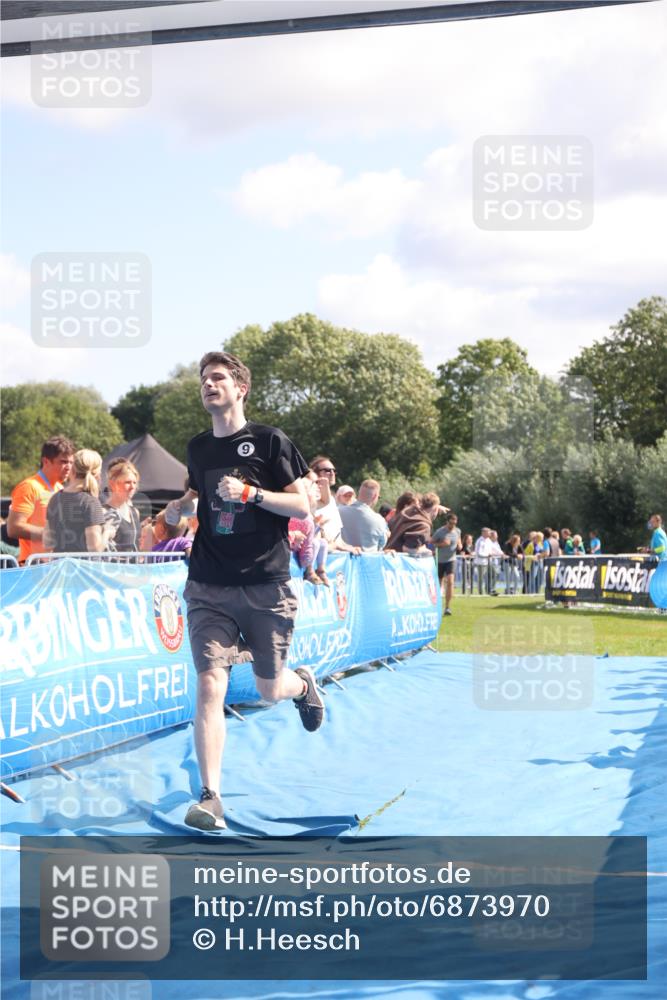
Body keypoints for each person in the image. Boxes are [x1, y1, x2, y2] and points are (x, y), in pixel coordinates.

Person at [164, 351, 321, 832]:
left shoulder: (270, 441)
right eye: (204, 379)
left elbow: (303, 505)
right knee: (211, 683)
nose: (208, 385)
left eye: (218, 378)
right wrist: (180, 507)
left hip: (265, 584)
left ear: (240, 388)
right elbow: (197, 495)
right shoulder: (197, 448)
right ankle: (210, 796)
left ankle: (302, 685)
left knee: (270, 690)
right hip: (208, 583)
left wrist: (251, 494)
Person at [8, 435, 75, 564]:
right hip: (33, 565)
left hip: (56, 564)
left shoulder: (60, 487)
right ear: (46, 461)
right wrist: (51, 535)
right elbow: (13, 528)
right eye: (63, 462)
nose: (68, 467)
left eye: (71, 462)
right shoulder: (29, 487)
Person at [44, 449, 107, 553]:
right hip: (82, 563)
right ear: (97, 474)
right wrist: (107, 533)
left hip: (59, 562)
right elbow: (94, 549)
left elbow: (47, 544)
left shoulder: (55, 498)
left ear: (73, 469)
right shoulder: (90, 502)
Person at [339, 478, 389, 552]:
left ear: (359, 492)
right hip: (368, 558)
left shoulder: (338, 512)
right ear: (375, 496)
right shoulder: (380, 520)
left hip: (342, 557)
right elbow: (382, 544)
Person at [104, 458, 142, 552]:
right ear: (113, 484)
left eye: (134, 483)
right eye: (127, 482)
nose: (132, 487)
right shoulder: (104, 512)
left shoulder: (135, 512)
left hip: (135, 562)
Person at [431, 512, 461, 615]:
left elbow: (458, 540)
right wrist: (441, 544)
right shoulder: (440, 531)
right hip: (440, 560)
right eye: (451, 523)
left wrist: (460, 545)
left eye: (454, 523)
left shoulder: (457, 531)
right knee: (439, 584)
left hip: (451, 560)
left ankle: (447, 607)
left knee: (450, 581)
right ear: (447, 522)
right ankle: (436, 606)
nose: (452, 525)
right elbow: (431, 542)